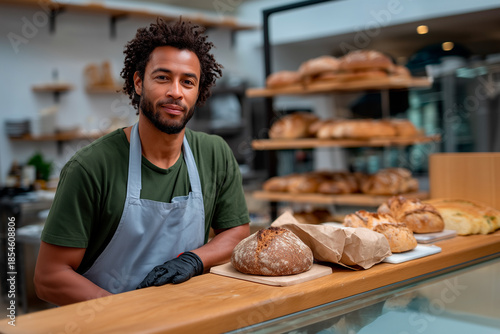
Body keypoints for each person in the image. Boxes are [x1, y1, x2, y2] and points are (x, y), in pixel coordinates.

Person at [34, 18, 250, 306]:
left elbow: (236, 232)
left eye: (188, 82)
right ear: (138, 82)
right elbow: (49, 277)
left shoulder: (214, 153)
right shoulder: (91, 167)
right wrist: (125, 313)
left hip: (187, 315)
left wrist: (193, 260)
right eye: (162, 77)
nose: (176, 91)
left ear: (199, 93)